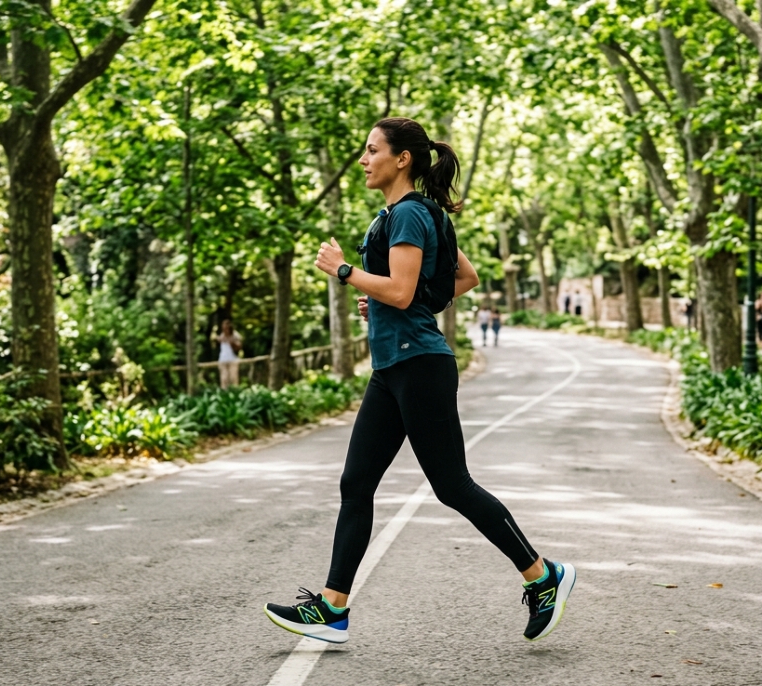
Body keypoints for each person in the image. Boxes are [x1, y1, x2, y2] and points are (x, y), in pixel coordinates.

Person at [265, 117, 574, 645]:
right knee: (356, 483)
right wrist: (379, 298)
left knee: (451, 485)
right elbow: (457, 279)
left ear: (401, 158)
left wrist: (345, 271)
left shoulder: (408, 214)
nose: (363, 160)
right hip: (394, 365)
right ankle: (333, 608)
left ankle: (543, 575)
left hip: (418, 366)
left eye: (371, 150)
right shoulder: (413, 214)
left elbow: (406, 291)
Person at [216, 319, 242, 388]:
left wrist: (231, 342)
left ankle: (235, 392)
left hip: (233, 360)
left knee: (233, 378)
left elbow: (239, 347)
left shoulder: (235, 335)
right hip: (223, 360)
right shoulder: (222, 335)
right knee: (224, 379)